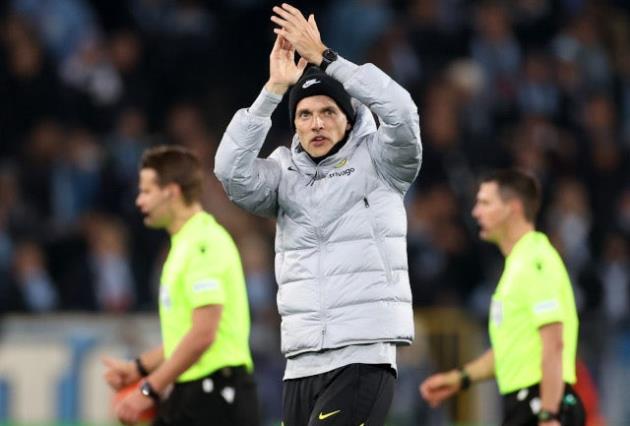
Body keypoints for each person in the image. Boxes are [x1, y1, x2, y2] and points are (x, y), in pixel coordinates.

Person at [214, 4, 422, 425]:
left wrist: (327, 59)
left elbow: (402, 113)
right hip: (301, 361)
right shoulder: (283, 173)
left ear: (349, 117)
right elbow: (230, 172)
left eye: (328, 112)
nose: (316, 124)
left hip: (363, 355)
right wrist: (273, 91)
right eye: (305, 114)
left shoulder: (381, 162)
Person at [102, 145, 259, 426]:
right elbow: (186, 336)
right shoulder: (184, 244)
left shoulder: (202, 243)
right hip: (198, 391)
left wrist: (149, 389)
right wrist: (139, 368)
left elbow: (203, 334)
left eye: (146, 191)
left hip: (217, 395)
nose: (139, 201)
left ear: (171, 192)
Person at [419, 169, 585, 426]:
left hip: (541, 403)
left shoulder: (535, 261)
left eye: (485, 203)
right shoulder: (517, 264)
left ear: (512, 208)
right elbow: (511, 349)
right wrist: (461, 378)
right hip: (528, 403)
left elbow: (554, 342)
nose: (476, 212)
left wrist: (549, 414)